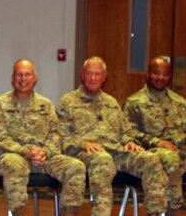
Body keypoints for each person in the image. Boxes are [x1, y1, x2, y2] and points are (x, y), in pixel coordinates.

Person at [56, 56, 168, 216]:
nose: (93, 78)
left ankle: (156, 213)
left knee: (150, 159)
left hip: (116, 152)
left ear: (104, 77)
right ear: (82, 74)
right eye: (89, 73)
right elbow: (60, 136)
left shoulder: (111, 102)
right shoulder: (68, 102)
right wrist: (83, 143)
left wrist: (130, 141)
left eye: (97, 74)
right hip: (84, 154)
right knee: (103, 160)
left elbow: (126, 131)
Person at [0, 59, 86, 216]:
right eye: (19, 75)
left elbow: (55, 134)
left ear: (35, 78)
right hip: (11, 156)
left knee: (76, 166)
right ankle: (18, 213)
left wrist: (45, 152)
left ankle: (69, 213)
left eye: (27, 75)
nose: (23, 79)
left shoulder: (45, 105)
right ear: (12, 78)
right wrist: (25, 152)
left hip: (43, 157)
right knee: (14, 164)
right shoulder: (0, 105)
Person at [124, 56, 186, 216]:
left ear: (170, 76)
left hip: (180, 151)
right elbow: (128, 132)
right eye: (156, 73)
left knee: (174, 156)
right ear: (147, 74)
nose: (161, 78)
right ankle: (172, 211)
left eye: (165, 74)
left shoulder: (179, 102)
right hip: (151, 152)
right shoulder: (135, 102)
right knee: (170, 158)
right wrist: (157, 142)